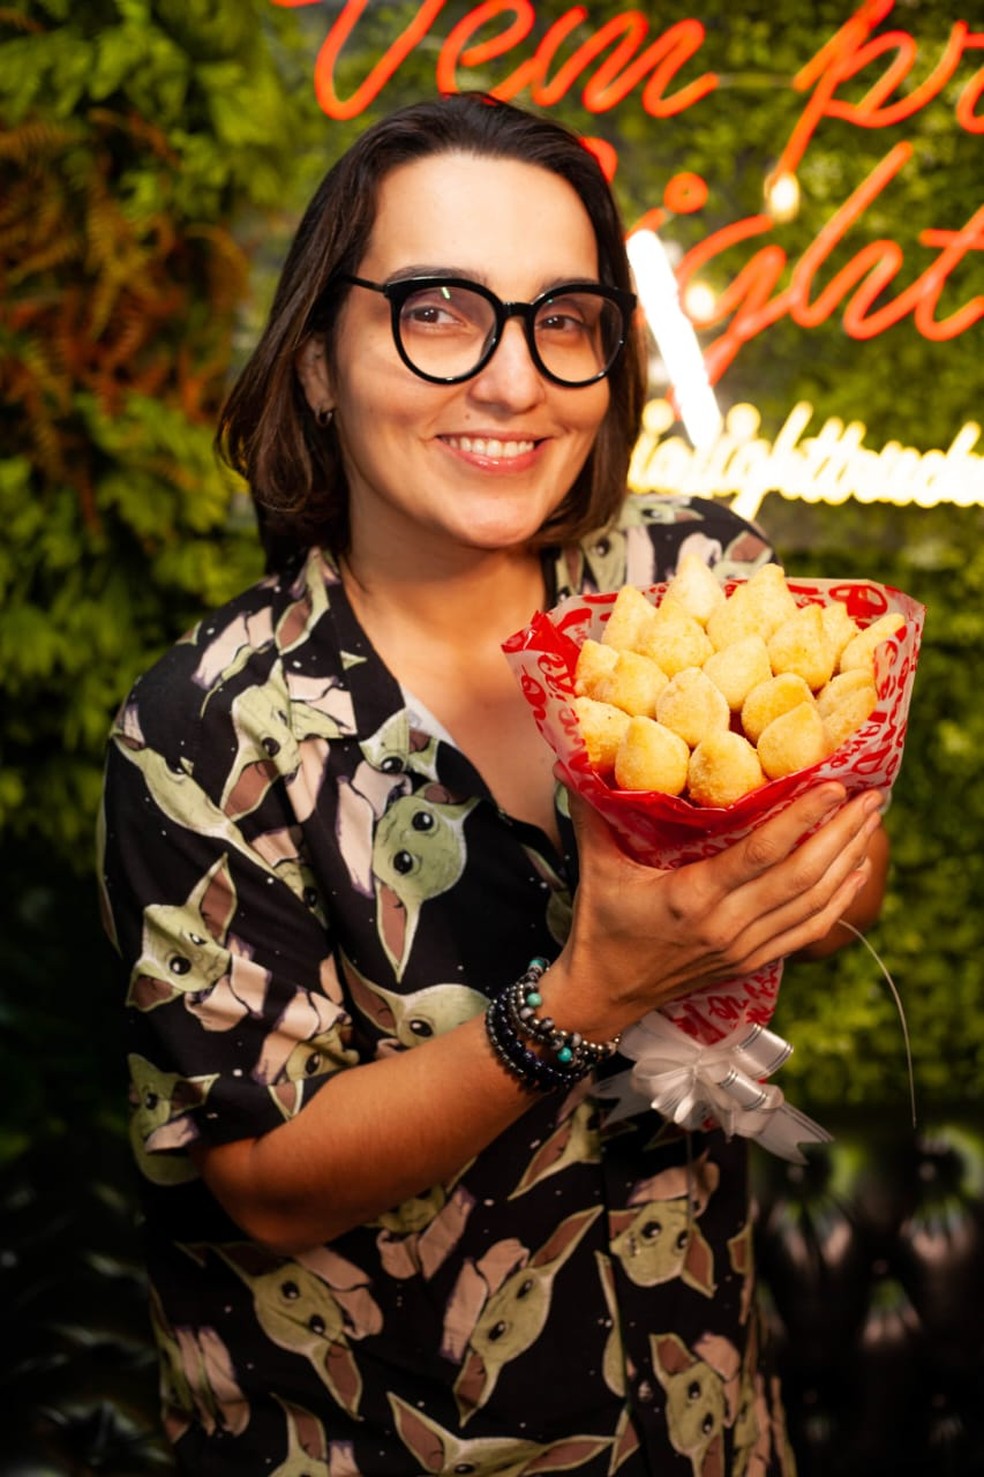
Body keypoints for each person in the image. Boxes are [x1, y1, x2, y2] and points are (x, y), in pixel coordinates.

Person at [99, 93, 889, 1475]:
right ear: (317, 361)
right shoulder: (203, 731)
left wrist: (808, 884)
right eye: (441, 311)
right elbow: (261, 1182)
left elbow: (832, 863)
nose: (515, 381)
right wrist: (583, 1001)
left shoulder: (698, 588)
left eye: (564, 320)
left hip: (697, 1417)